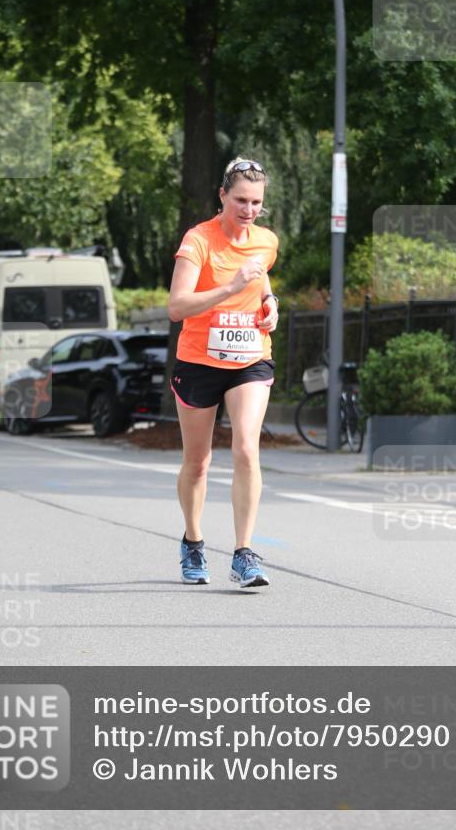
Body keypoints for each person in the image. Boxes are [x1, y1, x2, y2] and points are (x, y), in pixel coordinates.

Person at [168, 157, 279, 589]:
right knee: (198, 462)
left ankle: (243, 554)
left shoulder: (266, 241)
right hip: (199, 361)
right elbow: (177, 307)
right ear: (222, 196)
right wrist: (231, 287)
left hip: (251, 357)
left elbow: (263, 283)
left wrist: (271, 306)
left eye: (256, 203)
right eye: (241, 201)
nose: (249, 210)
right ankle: (193, 542)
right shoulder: (199, 241)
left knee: (247, 449)